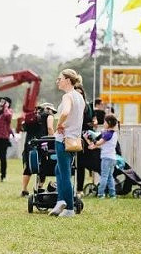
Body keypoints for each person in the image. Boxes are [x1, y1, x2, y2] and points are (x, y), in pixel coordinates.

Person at [49, 69, 85, 218]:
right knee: (59, 170)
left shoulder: (67, 96)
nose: (58, 81)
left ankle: (69, 207)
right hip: (74, 140)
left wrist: (59, 124)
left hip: (63, 140)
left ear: (68, 81)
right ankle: (61, 201)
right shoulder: (80, 97)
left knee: (64, 173)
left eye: (60, 79)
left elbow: (65, 113)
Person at [20, 103, 55, 197]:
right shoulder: (49, 115)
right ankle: (39, 187)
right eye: (53, 111)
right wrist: (53, 139)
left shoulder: (33, 117)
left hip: (29, 143)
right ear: (48, 109)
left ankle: (24, 189)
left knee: (29, 165)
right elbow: (50, 128)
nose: (53, 113)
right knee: (43, 164)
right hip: (42, 142)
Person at [75, 84, 99, 197]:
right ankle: (79, 189)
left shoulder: (88, 106)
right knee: (79, 164)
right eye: (77, 93)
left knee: (92, 162)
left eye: (81, 93)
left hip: (88, 137)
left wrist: (94, 122)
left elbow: (94, 119)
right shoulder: (73, 105)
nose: (79, 95)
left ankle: (99, 185)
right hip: (77, 138)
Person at [88, 114, 119, 199]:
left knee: (104, 176)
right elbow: (104, 145)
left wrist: (92, 139)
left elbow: (99, 143)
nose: (104, 123)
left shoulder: (108, 134)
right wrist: (94, 146)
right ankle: (113, 195)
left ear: (108, 123)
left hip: (106, 158)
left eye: (105, 122)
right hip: (112, 158)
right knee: (109, 176)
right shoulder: (114, 134)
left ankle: (101, 194)